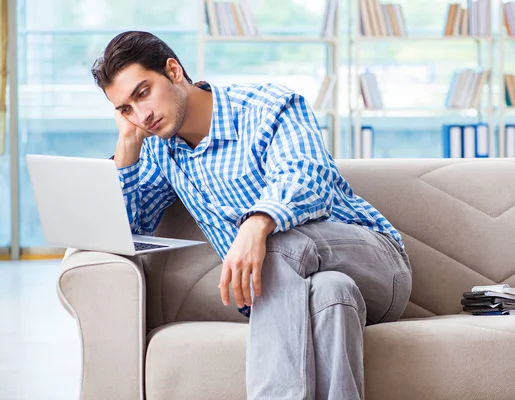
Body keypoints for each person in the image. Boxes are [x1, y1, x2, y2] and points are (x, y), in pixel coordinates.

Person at [92, 30, 412, 400]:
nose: (141, 115)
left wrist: (256, 225)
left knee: (276, 247)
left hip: (376, 264)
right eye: (125, 109)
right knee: (331, 294)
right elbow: (126, 231)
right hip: (299, 288)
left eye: (143, 92)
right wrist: (126, 148)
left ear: (174, 71)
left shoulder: (267, 106)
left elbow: (306, 176)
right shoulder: (159, 149)